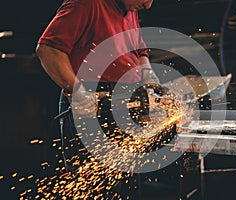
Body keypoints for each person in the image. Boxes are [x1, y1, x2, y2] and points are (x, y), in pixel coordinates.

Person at [36, 0, 160, 171]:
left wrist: (147, 73)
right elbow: (48, 50)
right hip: (92, 106)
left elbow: (139, 50)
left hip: (125, 106)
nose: (148, 5)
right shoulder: (85, 4)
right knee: (88, 182)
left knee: (123, 181)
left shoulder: (130, 6)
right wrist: (77, 91)